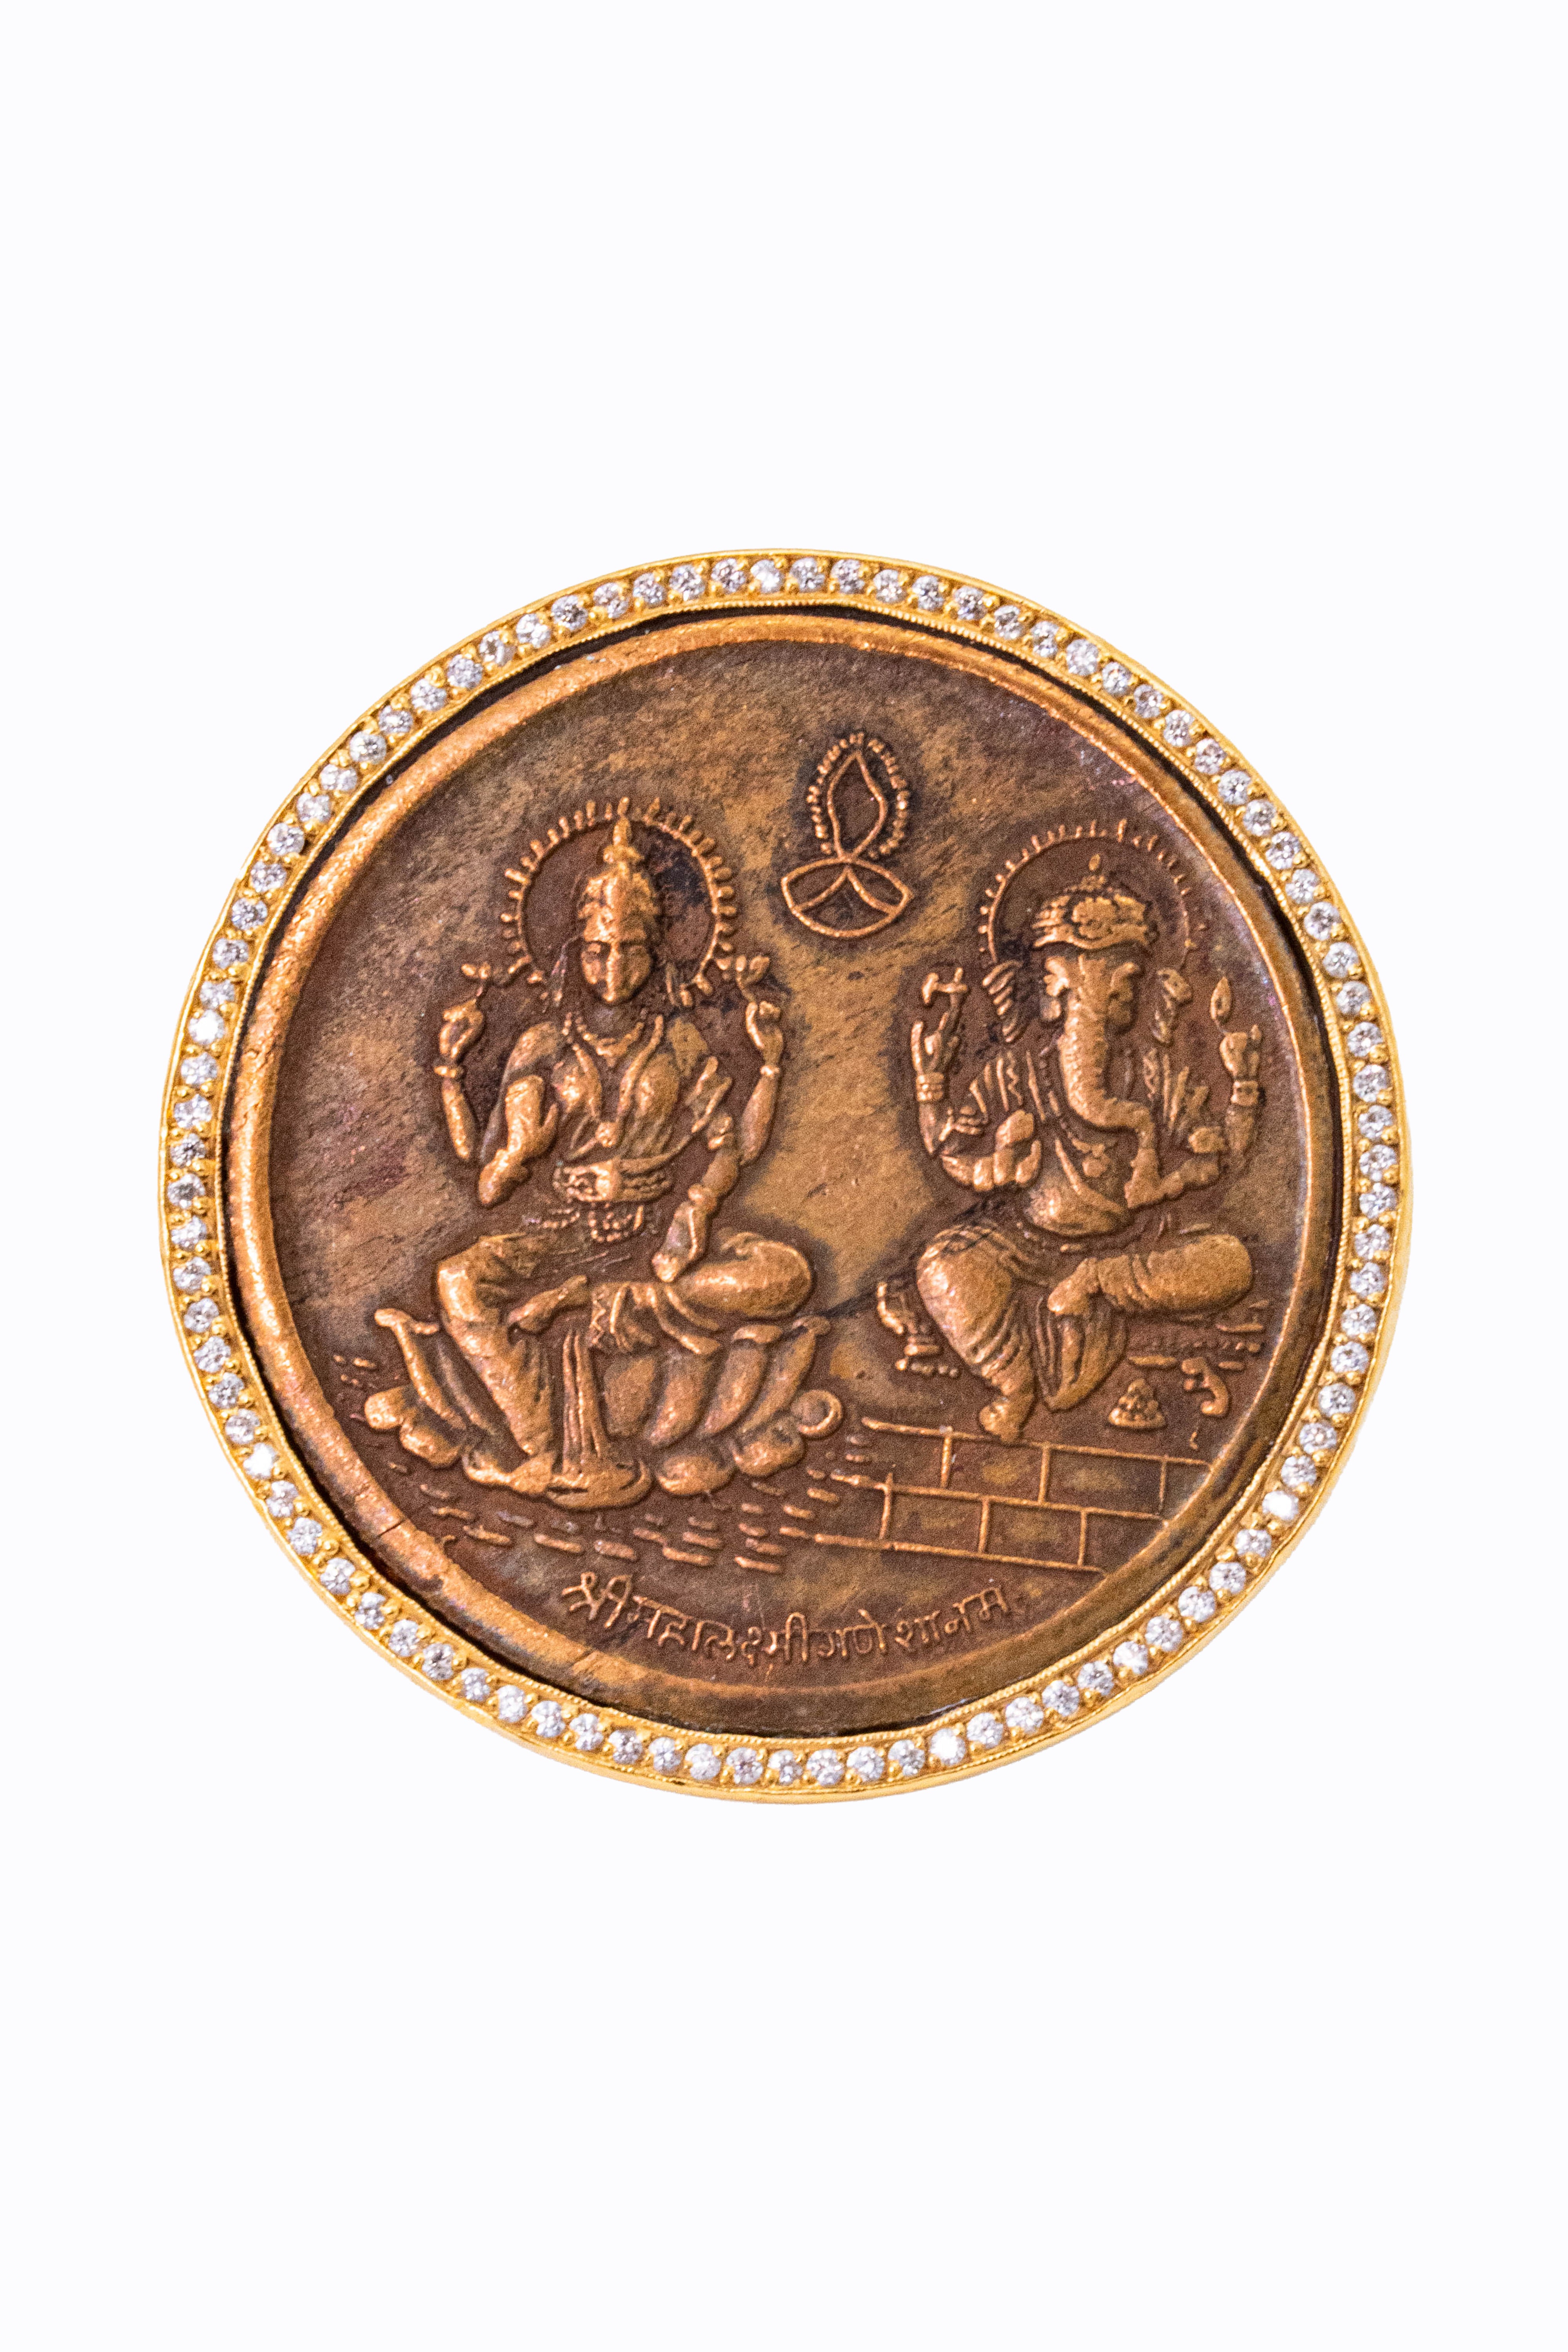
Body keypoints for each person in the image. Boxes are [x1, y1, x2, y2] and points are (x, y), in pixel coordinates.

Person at [366, 818, 827, 1504]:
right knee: (456, 1281)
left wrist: (700, 1201)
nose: (614, 971)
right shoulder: (542, 1046)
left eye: (632, 952)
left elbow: (733, 1148)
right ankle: (543, 1446)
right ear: (572, 954)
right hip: (558, 1236)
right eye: (598, 952)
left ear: (658, 955)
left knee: (786, 1274)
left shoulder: (680, 1042)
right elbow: (488, 1188)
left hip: (660, 1236)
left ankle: (607, 1303)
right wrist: (518, 1150)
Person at [906, 855, 1262, 1436]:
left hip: (1133, 1249)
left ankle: (1100, 1282)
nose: (1123, 986)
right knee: (943, 1265)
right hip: (1024, 1247)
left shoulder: (1154, 1075)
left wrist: (1242, 1092)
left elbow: (1222, 1161)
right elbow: (950, 1151)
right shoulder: (1011, 1073)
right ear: (1056, 983)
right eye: (1105, 972)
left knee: (1230, 1262)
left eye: (1129, 974)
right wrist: (985, 1157)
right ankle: (1013, 1382)